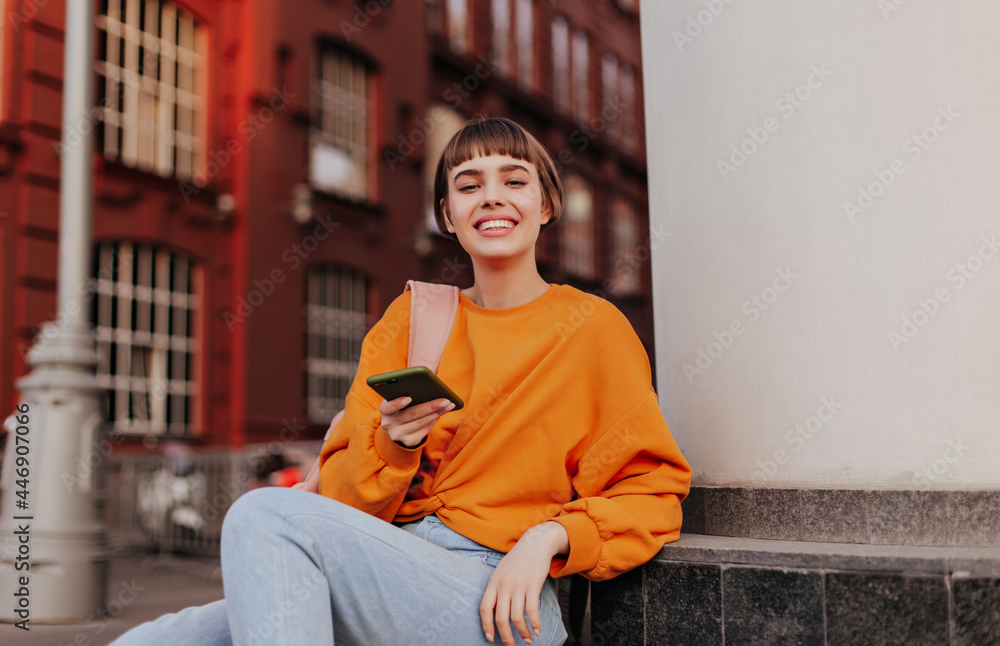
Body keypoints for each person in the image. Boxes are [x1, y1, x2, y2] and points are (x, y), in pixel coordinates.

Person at [111, 116, 690, 646]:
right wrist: (396, 444)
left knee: (262, 514)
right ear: (446, 216)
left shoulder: (592, 327)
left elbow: (652, 493)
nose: (491, 196)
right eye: (468, 185)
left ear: (546, 205)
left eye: (514, 181)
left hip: (497, 597)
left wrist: (548, 539)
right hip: (377, 563)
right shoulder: (411, 320)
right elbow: (340, 499)